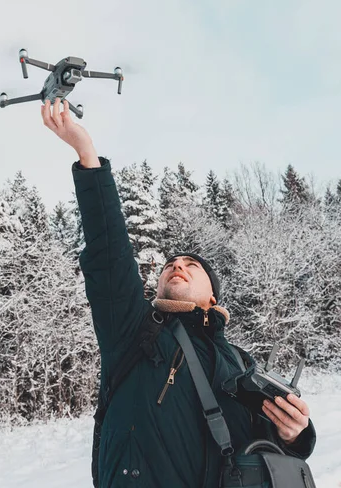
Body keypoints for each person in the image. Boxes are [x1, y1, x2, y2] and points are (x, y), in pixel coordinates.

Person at [41, 98, 316, 488]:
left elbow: (263, 448)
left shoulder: (239, 362)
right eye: (171, 264)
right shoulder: (135, 331)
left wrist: (294, 433)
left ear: (213, 298)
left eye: (192, 265)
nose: (178, 266)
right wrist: (87, 156)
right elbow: (109, 256)